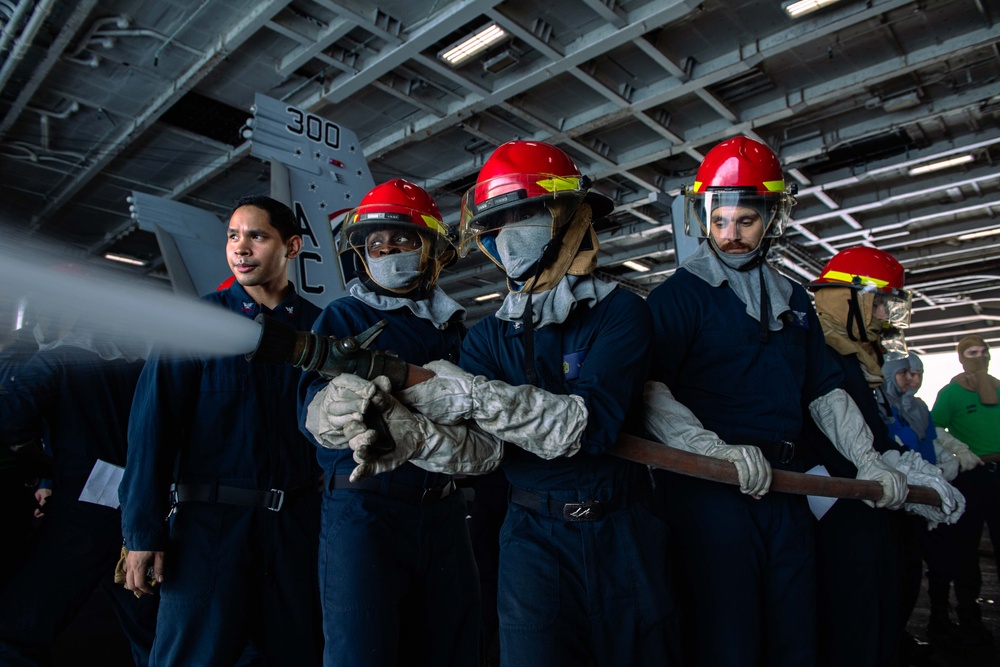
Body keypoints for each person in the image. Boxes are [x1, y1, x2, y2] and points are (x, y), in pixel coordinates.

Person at [371, 140, 675, 666]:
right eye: (497, 220)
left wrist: (469, 393)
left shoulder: (621, 313)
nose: (507, 232)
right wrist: (412, 436)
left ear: (565, 215)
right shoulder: (487, 337)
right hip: (532, 541)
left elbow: (590, 428)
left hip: (625, 533)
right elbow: (482, 453)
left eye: (524, 213)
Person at [643, 136, 915, 666]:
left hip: (787, 489)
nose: (731, 233)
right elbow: (652, 390)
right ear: (704, 214)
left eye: (746, 220)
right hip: (712, 493)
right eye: (720, 219)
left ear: (771, 218)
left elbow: (824, 390)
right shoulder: (676, 296)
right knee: (729, 635)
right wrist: (710, 452)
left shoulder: (794, 299)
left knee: (795, 633)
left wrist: (867, 459)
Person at [118, 194, 324, 665]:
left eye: (257, 235)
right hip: (209, 534)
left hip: (297, 529)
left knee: (296, 654)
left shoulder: (319, 332)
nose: (241, 247)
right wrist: (142, 534)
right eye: (233, 236)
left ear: (291, 247)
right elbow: (151, 434)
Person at [298, 179, 484, 667]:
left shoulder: (450, 327)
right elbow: (310, 409)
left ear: (432, 249)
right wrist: (335, 413)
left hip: (444, 511)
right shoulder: (345, 316)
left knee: (454, 645)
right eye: (375, 243)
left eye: (400, 240)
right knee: (363, 650)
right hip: (365, 511)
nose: (385, 251)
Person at [804, 247, 964, 667]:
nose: (883, 316)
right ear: (849, 299)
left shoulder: (858, 358)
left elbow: (873, 436)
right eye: (879, 303)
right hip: (835, 508)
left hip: (869, 501)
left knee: (885, 600)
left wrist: (912, 469)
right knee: (851, 619)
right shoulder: (817, 351)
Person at [0, 291, 158, 666]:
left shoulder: (59, 357)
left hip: (85, 507)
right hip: (139, 504)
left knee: (16, 628)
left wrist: (39, 462)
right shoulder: (141, 362)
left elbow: (9, 415)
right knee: (149, 629)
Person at [881, 352, 983, 649]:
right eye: (906, 373)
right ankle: (894, 634)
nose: (913, 379)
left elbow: (928, 441)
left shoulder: (919, 407)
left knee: (934, 564)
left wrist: (943, 463)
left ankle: (935, 621)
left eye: (918, 374)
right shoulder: (881, 407)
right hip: (899, 503)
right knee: (901, 568)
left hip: (927, 498)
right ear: (890, 373)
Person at [930, 334, 1000, 646]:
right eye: (973, 352)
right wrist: (958, 452)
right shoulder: (951, 393)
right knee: (966, 550)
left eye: (984, 351)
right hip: (972, 475)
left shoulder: (998, 387)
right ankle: (969, 619)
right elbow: (934, 428)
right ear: (961, 357)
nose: (980, 356)